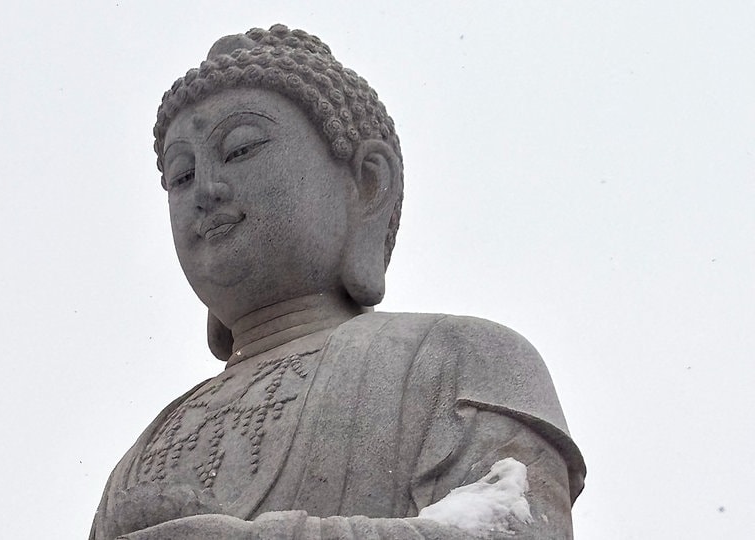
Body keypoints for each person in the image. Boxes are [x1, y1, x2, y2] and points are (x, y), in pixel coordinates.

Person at [90, 24, 585, 539]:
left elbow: (515, 530)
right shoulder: (146, 451)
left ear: (367, 183)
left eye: (240, 149)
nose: (206, 191)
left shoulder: (456, 357)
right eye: (182, 175)